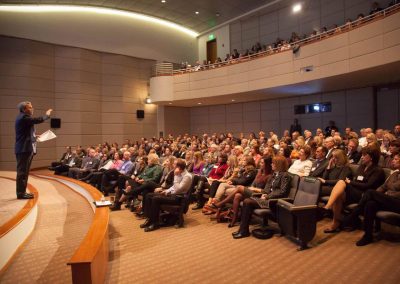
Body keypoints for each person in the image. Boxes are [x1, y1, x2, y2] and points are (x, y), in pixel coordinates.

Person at [342, 153, 400, 246]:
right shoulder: (395, 173)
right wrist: (377, 195)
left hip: (397, 202)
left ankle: (353, 215)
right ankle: (368, 235)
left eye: (396, 159)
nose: (393, 160)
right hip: (388, 200)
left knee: (370, 192)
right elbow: (383, 186)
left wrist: (387, 194)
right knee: (370, 203)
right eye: (394, 159)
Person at [140, 159, 193, 232]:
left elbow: (178, 190)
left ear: (179, 168)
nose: (173, 166)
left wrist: (176, 176)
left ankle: (155, 223)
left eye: (175, 164)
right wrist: (166, 191)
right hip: (172, 195)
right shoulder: (179, 173)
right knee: (149, 195)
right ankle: (150, 219)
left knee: (156, 199)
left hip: (178, 198)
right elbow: (173, 187)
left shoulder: (187, 176)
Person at [15, 101, 52, 199]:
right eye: (30, 107)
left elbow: (25, 133)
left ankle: (22, 192)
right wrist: (47, 115)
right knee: (22, 172)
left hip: (25, 148)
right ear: (24, 109)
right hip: (24, 149)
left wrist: (34, 136)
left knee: (25, 172)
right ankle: (20, 193)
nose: (32, 109)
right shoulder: (24, 117)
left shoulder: (23, 117)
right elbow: (38, 120)